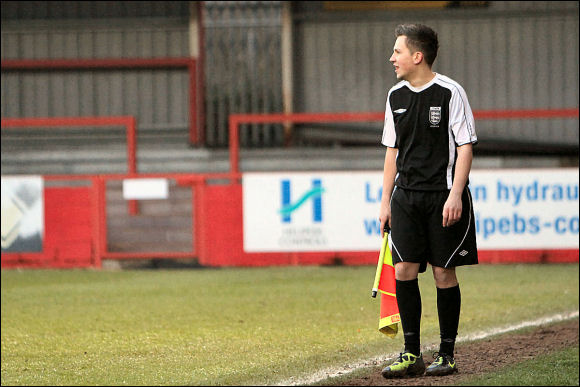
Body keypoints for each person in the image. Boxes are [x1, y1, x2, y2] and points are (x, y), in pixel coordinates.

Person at [378, 24, 479, 378]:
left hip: (443, 197)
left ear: (417, 56)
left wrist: (455, 194)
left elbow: (465, 145)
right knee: (404, 270)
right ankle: (411, 353)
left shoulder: (451, 92)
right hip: (405, 198)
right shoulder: (395, 96)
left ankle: (447, 354)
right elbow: (392, 152)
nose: (392, 58)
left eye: (398, 51)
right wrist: (385, 201)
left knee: (442, 272)